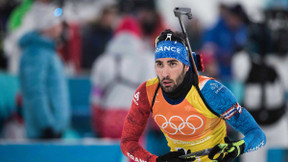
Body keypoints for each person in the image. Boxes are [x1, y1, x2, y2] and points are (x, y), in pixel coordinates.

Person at [120, 29, 266, 162]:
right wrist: (156, 161)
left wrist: (238, 147)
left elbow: (257, 135)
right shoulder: (147, 92)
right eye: (159, 64)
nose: (165, 73)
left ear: (186, 65)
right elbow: (127, 143)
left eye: (172, 64)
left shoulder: (210, 91)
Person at [90, 16, 155, 138]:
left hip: (109, 118)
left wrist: (98, 126)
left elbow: (96, 98)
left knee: (110, 156)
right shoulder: (146, 60)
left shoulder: (102, 61)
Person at [18, 5, 70, 139]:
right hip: (43, 133)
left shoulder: (47, 52)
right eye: (58, 24)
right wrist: (47, 125)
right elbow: (35, 91)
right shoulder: (35, 53)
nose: (60, 28)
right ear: (50, 27)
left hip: (52, 130)